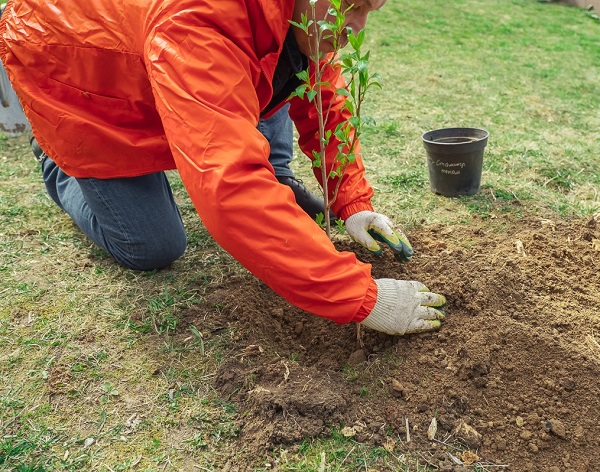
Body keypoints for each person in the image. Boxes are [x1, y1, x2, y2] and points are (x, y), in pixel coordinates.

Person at [0, 0, 446, 336]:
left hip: (148, 57)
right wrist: (362, 298)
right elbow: (228, 185)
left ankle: (209, 150)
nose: (358, 26)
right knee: (153, 245)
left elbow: (322, 96)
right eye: (353, 4)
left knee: (251, 97)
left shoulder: (298, 17)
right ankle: (58, 160)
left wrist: (353, 203)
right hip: (70, 69)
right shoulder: (197, 21)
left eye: (373, 8)